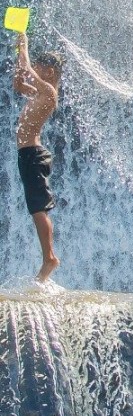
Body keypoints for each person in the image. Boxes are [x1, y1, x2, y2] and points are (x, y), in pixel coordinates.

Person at [12, 31, 64, 282]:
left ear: (51, 72)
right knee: (35, 207)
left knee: (38, 209)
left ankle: (50, 258)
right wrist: (19, 74)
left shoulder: (50, 93)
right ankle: (48, 257)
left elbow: (25, 65)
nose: (37, 69)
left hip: (33, 154)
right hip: (28, 155)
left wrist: (22, 39)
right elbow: (20, 84)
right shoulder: (40, 93)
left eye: (41, 67)